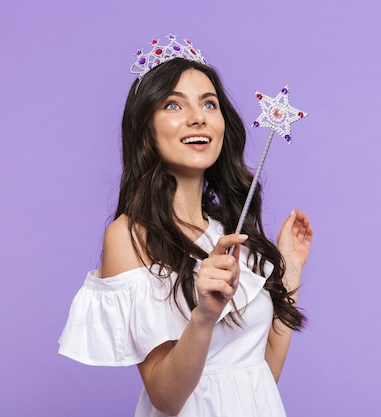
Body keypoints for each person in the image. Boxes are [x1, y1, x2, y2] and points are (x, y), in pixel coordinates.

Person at [58, 35, 313, 417]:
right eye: (173, 104)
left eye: (209, 103)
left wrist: (290, 270)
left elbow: (260, 375)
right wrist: (204, 316)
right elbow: (166, 397)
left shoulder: (230, 233)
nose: (198, 117)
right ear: (145, 126)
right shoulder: (130, 236)